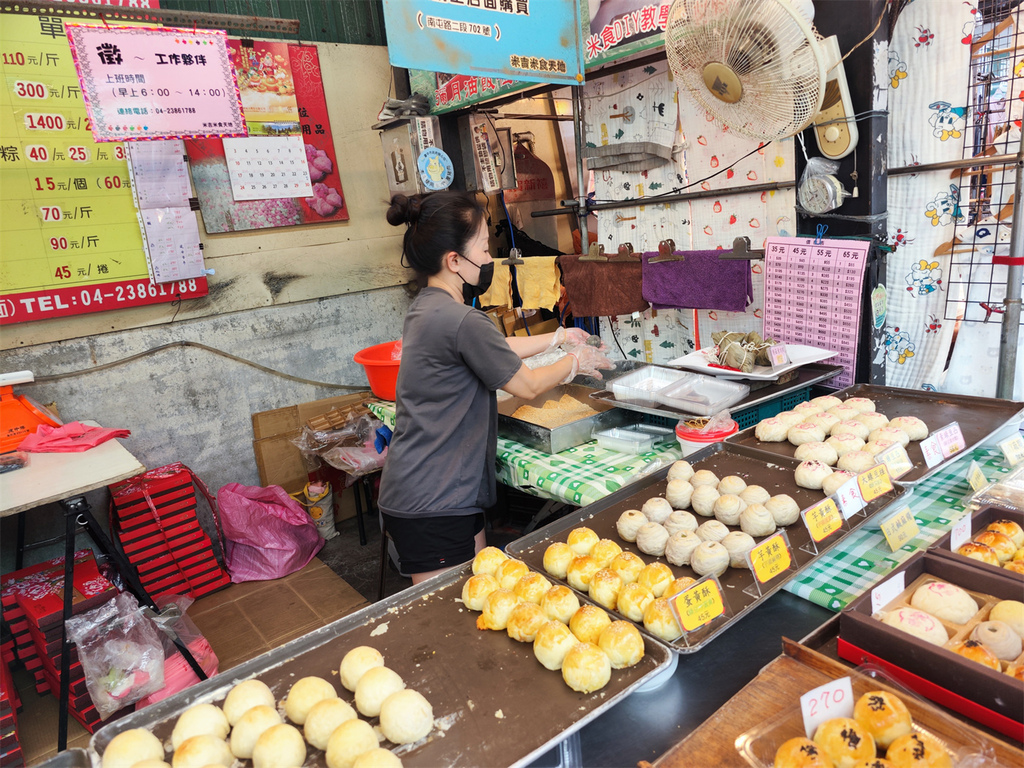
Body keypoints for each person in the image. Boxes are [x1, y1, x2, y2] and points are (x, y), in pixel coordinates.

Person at [378, 191, 614, 585]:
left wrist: (558, 337)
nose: (490, 261)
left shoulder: (427, 307)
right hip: (433, 500)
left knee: (480, 596)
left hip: (442, 489)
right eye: (484, 250)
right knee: (447, 622)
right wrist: (576, 362)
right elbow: (527, 384)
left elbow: (493, 348)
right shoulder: (461, 319)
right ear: (454, 260)